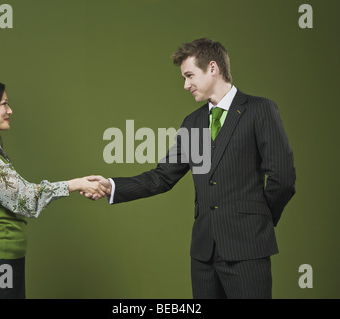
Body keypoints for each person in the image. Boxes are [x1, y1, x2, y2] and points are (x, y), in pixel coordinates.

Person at [86, 38, 296, 298]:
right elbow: (162, 176)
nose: (185, 85)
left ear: (212, 68)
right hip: (203, 256)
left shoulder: (260, 110)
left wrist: (258, 221)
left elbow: (283, 178)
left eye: (189, 76)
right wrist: (112, 186)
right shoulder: (193, 123)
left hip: (248, 251)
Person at [0, 78, 108, 299]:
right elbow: (25, 197)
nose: (10, 110)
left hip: (6, 257)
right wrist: (75, 184)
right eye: (4, 104)